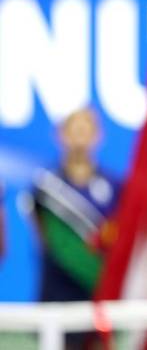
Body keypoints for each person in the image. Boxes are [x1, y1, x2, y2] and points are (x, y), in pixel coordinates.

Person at [31, 108, 120, 303]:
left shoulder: (114, 186)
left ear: (98, 135)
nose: (80, 136)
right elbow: (43, 239)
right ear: (61, 135)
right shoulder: (44, 188)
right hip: (56, 292)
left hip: (98, 292)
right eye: (74, 130)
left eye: (86, 130)